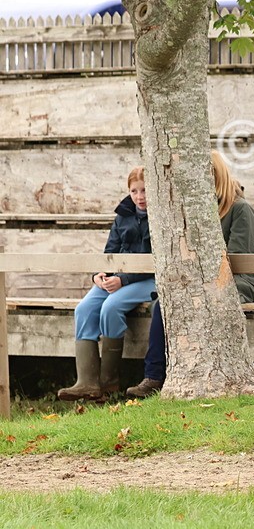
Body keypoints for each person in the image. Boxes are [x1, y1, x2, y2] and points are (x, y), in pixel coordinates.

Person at [126, 151, 254, 397]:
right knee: (163, 304)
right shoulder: (197, 210)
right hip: (202, 282)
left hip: (238, 282)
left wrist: (203, 281)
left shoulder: (240, 209)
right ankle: (154, 375)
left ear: (216, 175)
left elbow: (239, 258)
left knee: (207, 301)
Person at [58, 166, 155, 401]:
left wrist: (123, 280)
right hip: (118, 278)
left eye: (145, 190)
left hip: (149, 279)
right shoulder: (123, 215)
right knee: (84, 308)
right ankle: (87, 383)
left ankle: (108, 382)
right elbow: (110, 250)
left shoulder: (161, 216)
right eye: (135, 191)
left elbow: (156, 260)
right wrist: (99, 274)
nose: (140, 197)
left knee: (111, 306)